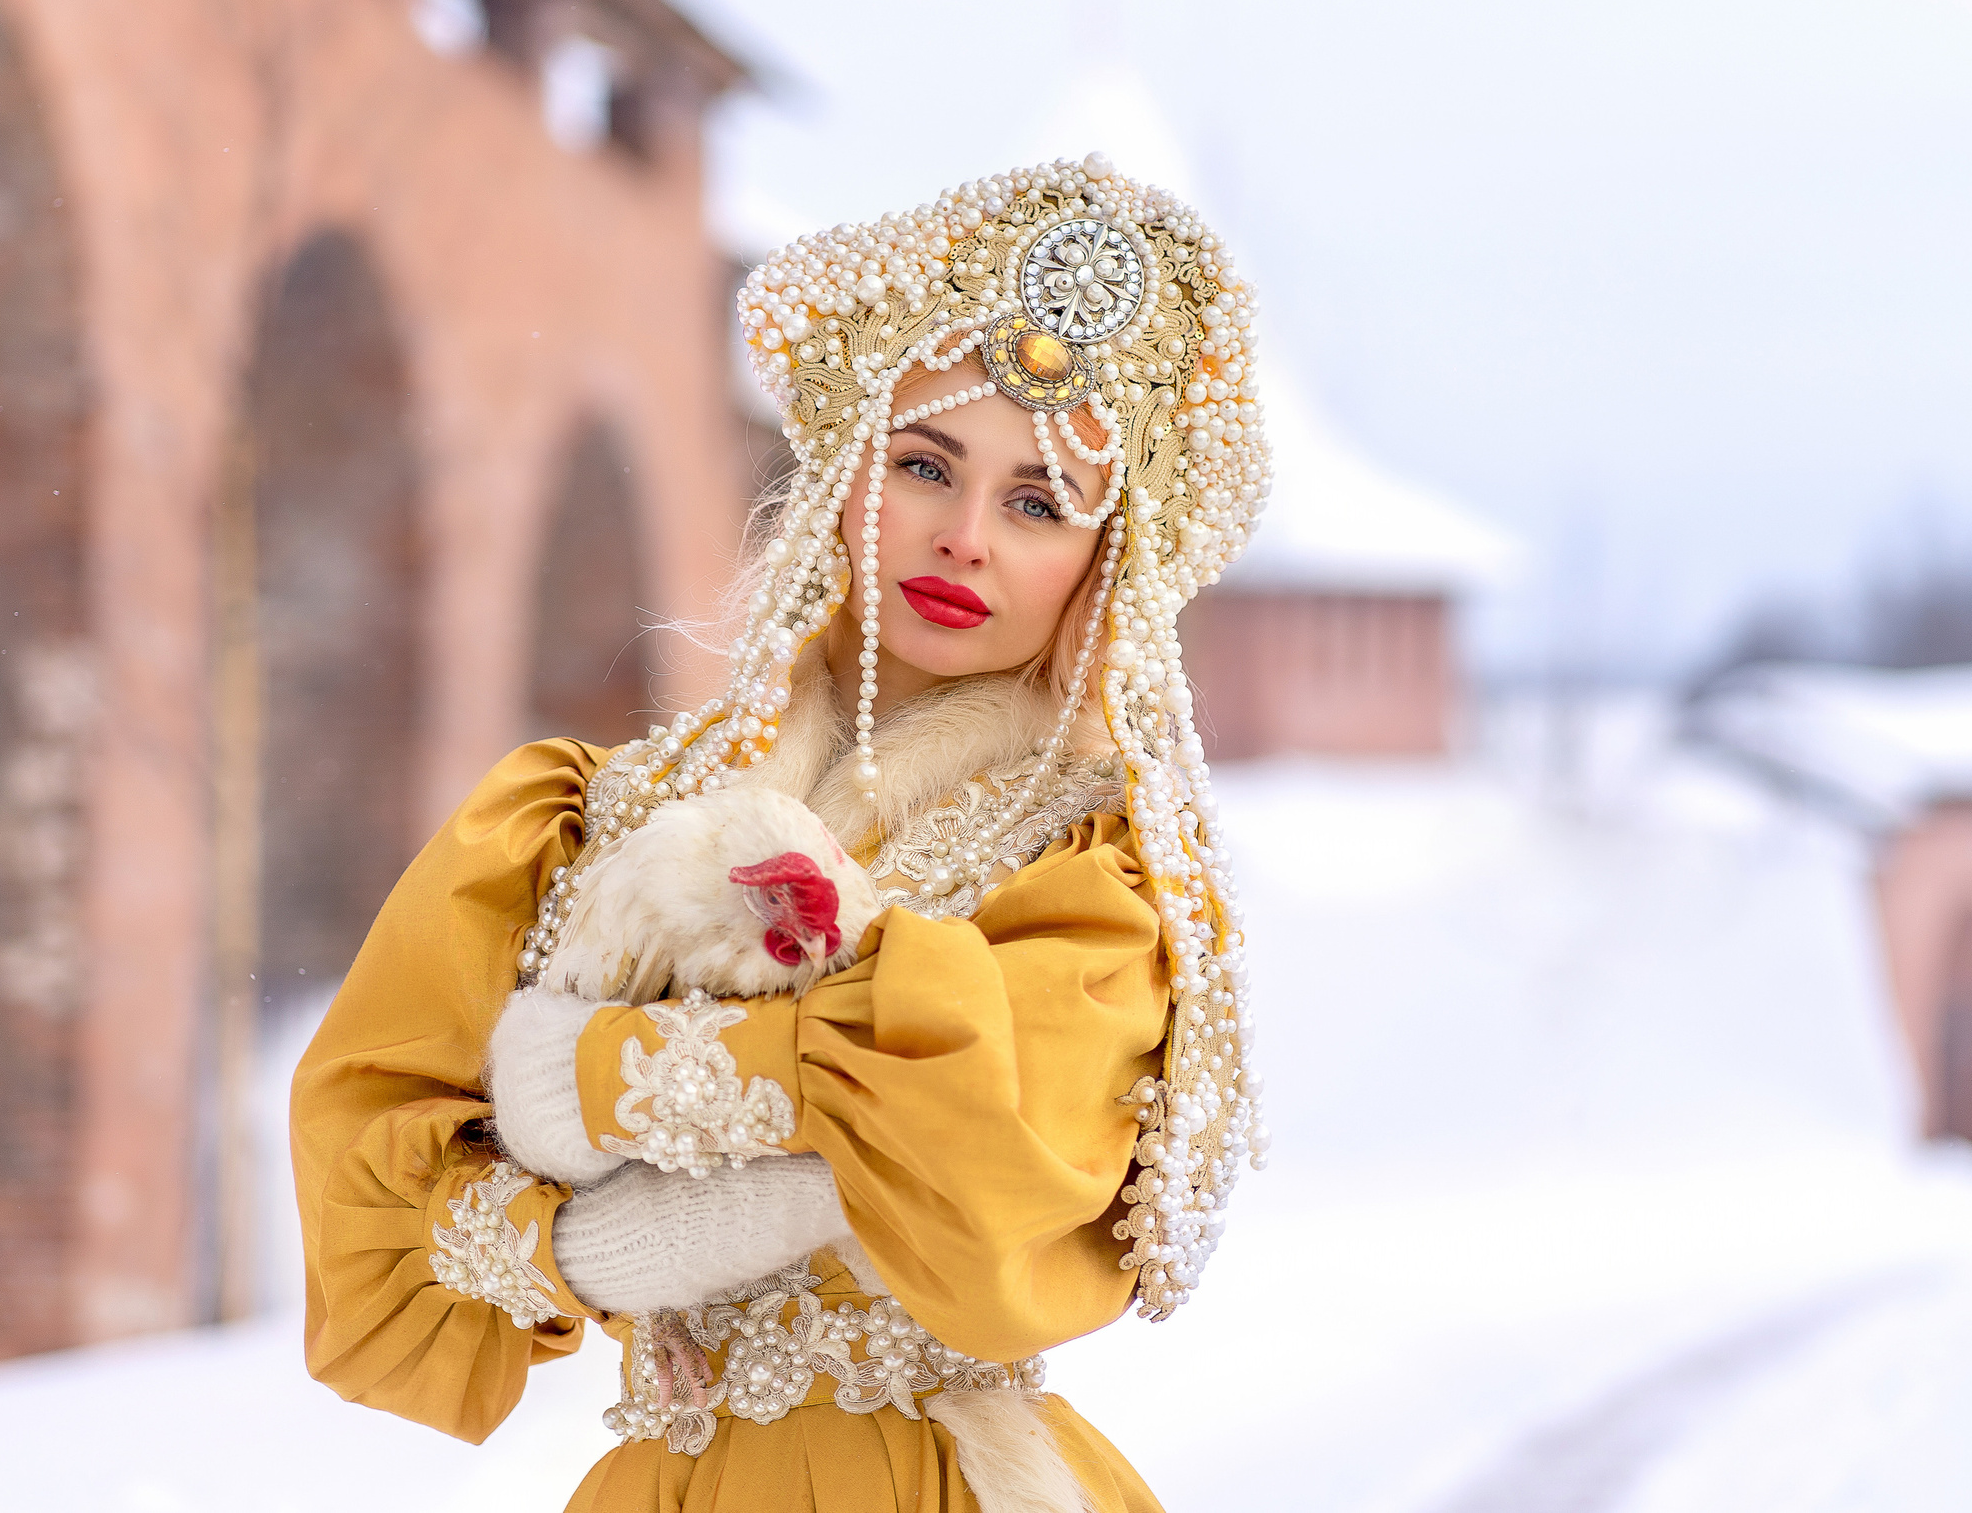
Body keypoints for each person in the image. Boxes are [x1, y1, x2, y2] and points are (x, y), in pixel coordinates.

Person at [290, 156, 1271, 1511]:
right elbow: (376, 1185)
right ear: (850, 474)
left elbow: (993, 1178)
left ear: (1105, 562)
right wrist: (573, 1249)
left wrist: (580, 1078)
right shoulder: (598, 813)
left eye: (1038, 501)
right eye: (925, 465)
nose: (963, 536)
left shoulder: (1087, 868)